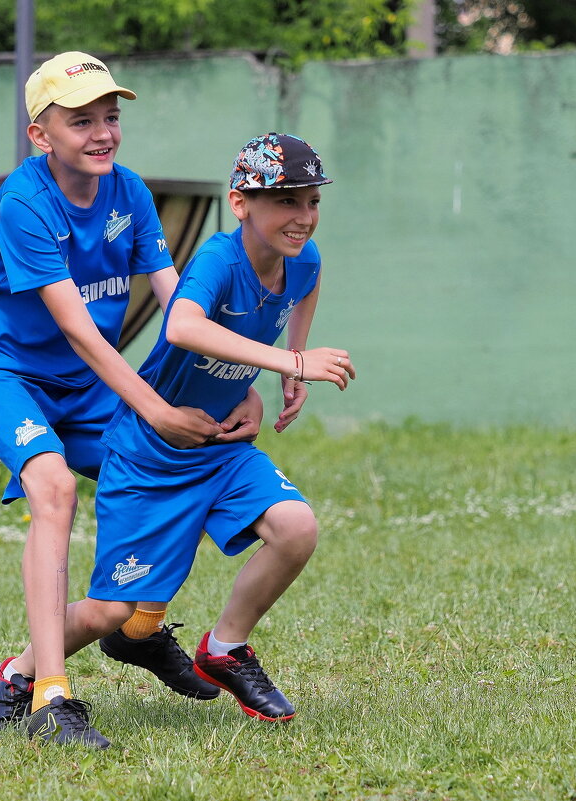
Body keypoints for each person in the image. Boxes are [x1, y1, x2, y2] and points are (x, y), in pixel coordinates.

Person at [0, 53, 284, 748]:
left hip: (80, 376)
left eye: (110, 117)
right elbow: (78, 328)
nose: (102, 133)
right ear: (41, 135)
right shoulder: (23, 204)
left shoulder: (128, 192)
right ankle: (48, 695)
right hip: (3, 366)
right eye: (81, 121)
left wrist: (236, 385)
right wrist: (154, 411)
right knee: (55, 487)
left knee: (180, 457)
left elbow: (182, 306)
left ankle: (138, 629)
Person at [47, 132, 355, 748]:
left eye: (312, 201)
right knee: (111, 612)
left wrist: (282, 375)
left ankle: (226, 647)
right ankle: (23, 671)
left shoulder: (306, 258)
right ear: (240, 203)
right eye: (285, 201)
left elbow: (304, 290)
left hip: (222, 447)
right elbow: (184, 327)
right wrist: (292, 358)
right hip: (151, 455)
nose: (303, 216)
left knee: (296, 528)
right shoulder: (219, 258)